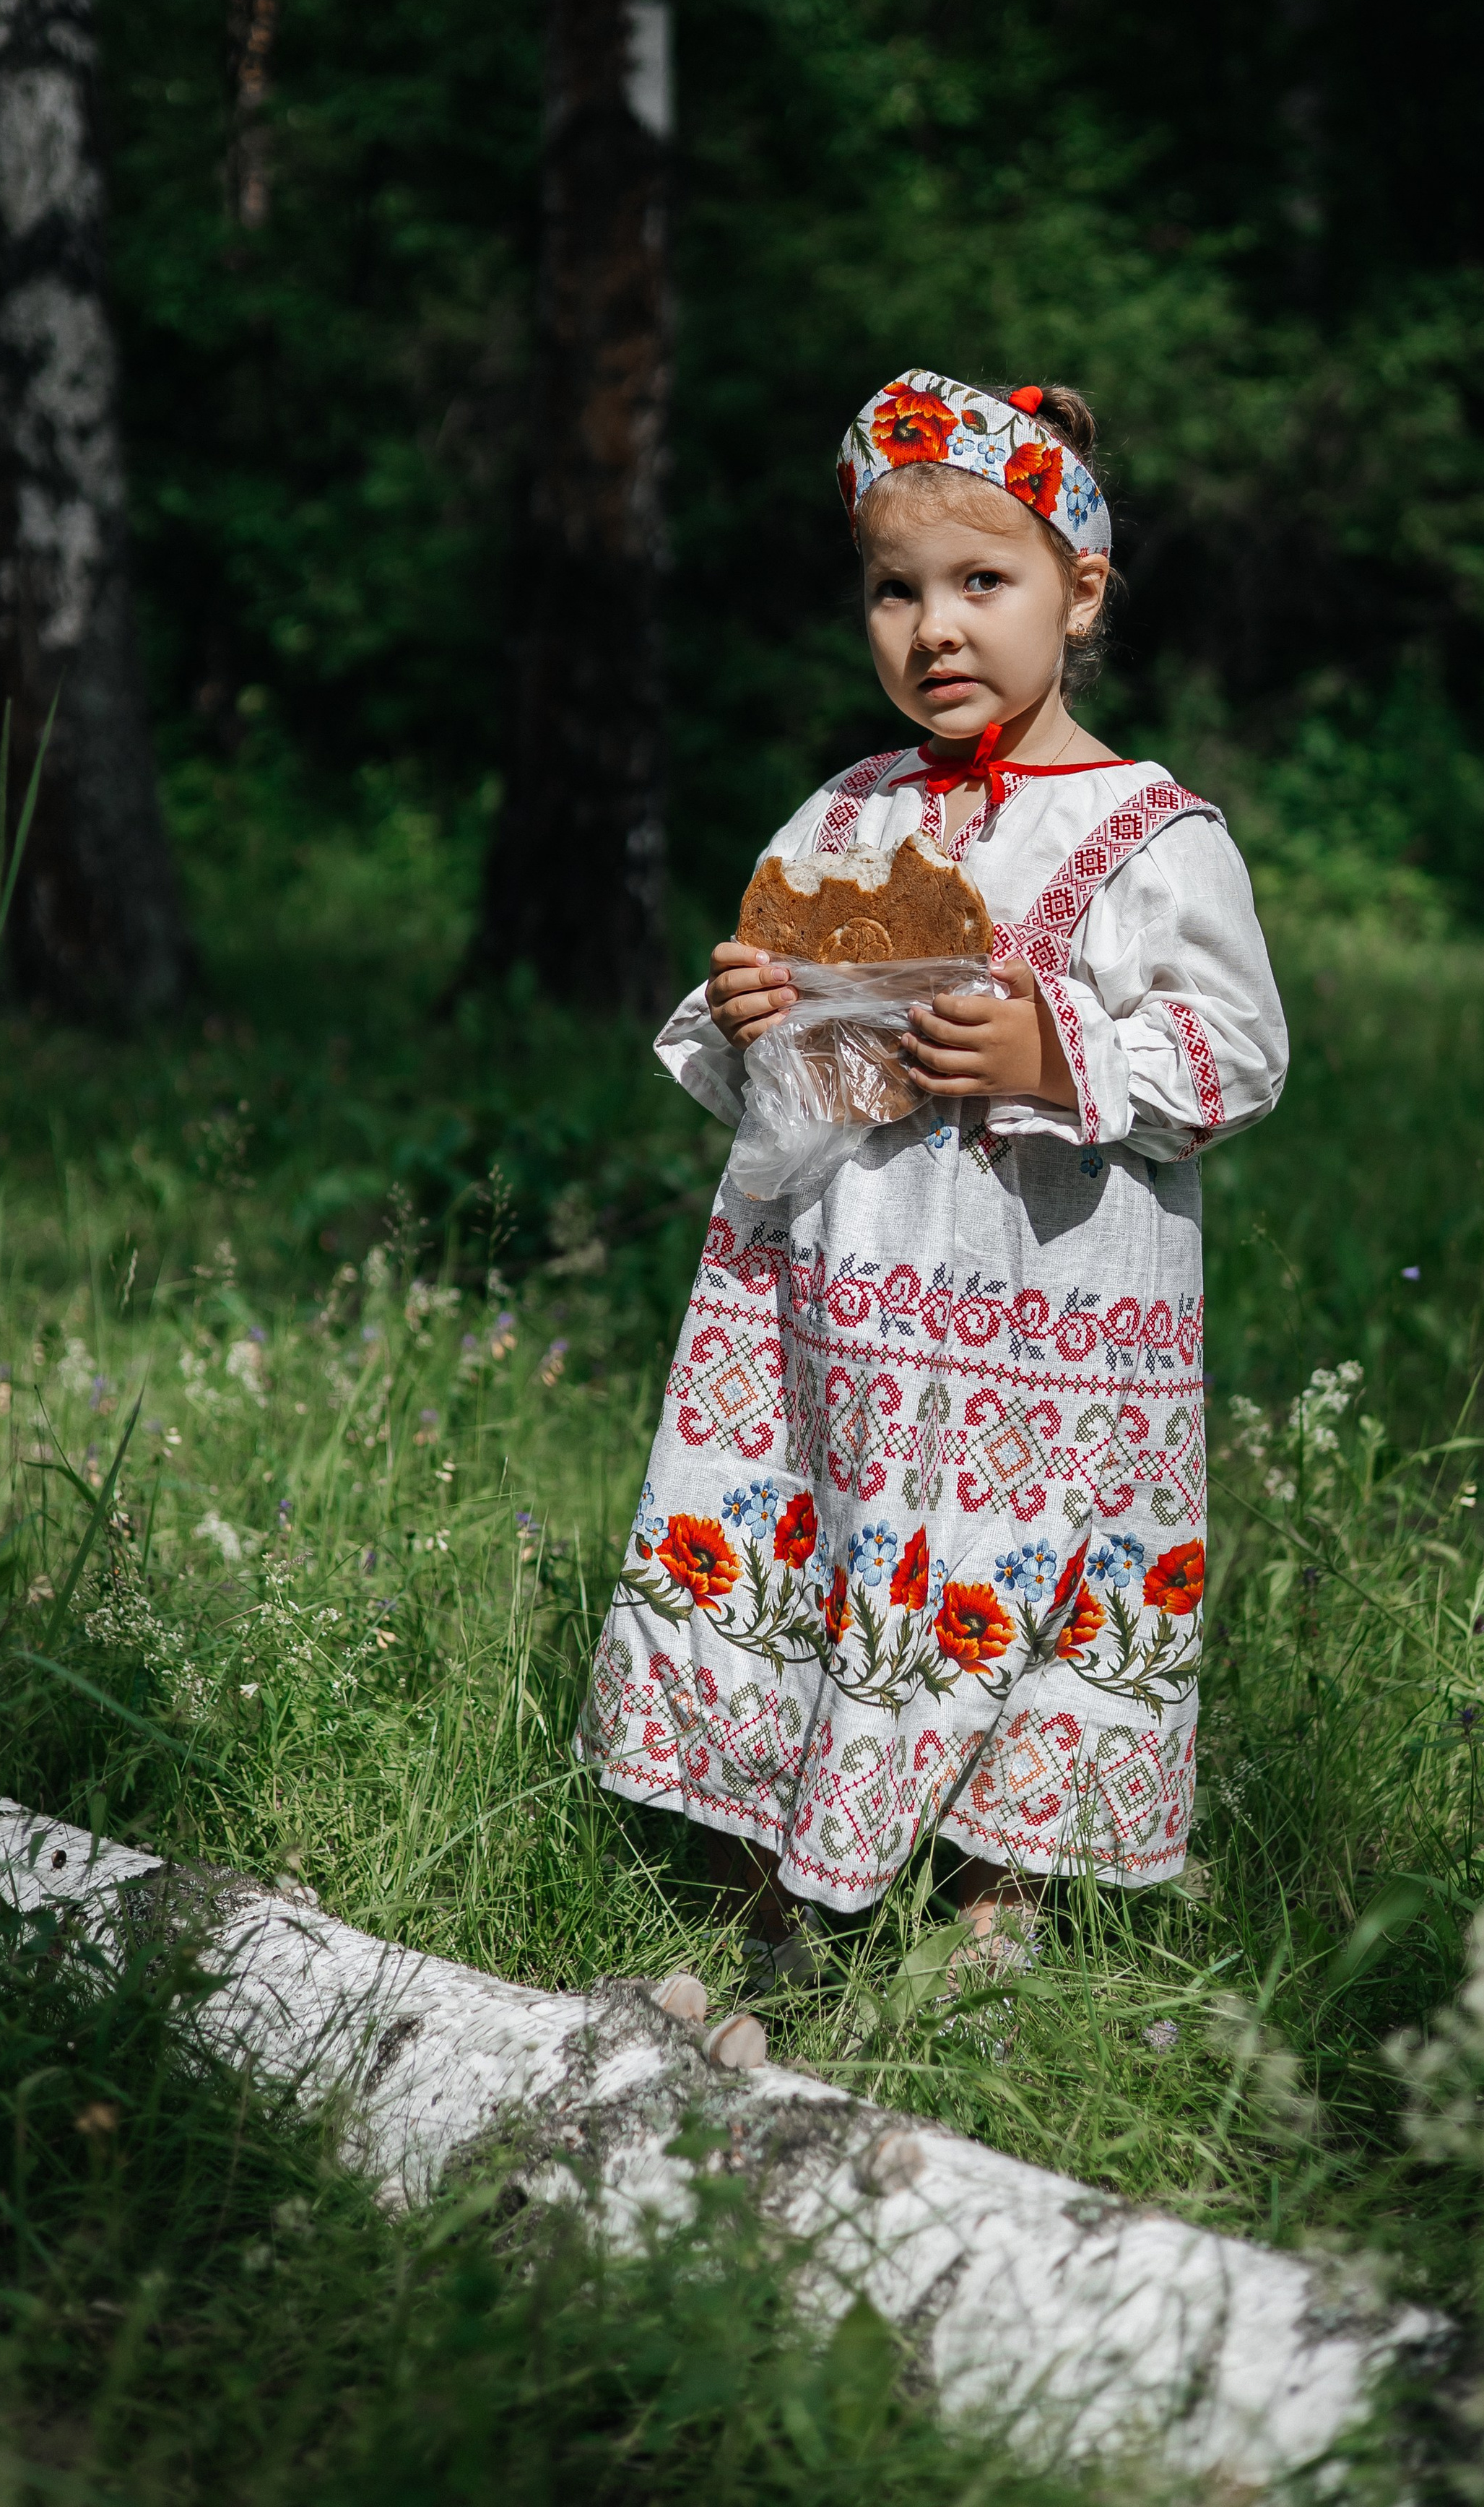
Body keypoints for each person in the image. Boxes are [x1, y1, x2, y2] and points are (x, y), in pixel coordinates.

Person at [581, 371, 1288, 1979]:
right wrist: (752, 1012)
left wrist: (1053, 1058)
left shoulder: (1146, 833)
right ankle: (770, 1867)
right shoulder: (844, 811)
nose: (932, 630)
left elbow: (1240, 1057)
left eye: (984, 582)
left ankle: (996, 1898)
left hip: (1043, 1326)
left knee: (1010, 1568)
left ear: (1080, 592)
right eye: (893, 592)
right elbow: (766, 1053)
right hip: (830, 1303)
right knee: (829, 1535)